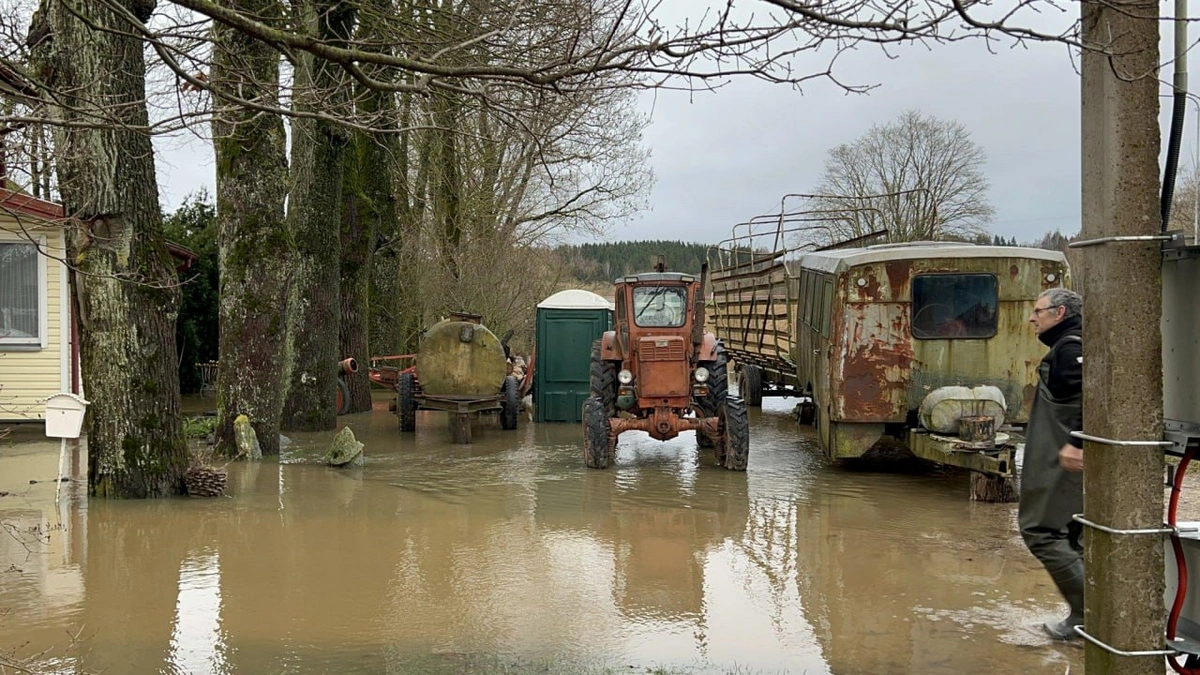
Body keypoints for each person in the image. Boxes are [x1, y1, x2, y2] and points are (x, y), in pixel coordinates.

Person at [1019, 287, 1085, 641]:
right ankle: (1092, 614)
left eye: (1038, 311)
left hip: (1063, 461)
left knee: (1041, 532)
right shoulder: (1073, 345)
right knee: (1075, 534)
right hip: (1064, 458)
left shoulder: (1070, 349)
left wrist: (1077, 442)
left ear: (1059, 314)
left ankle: (1087, 615)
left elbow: (1095, 398)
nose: (1033, 318)